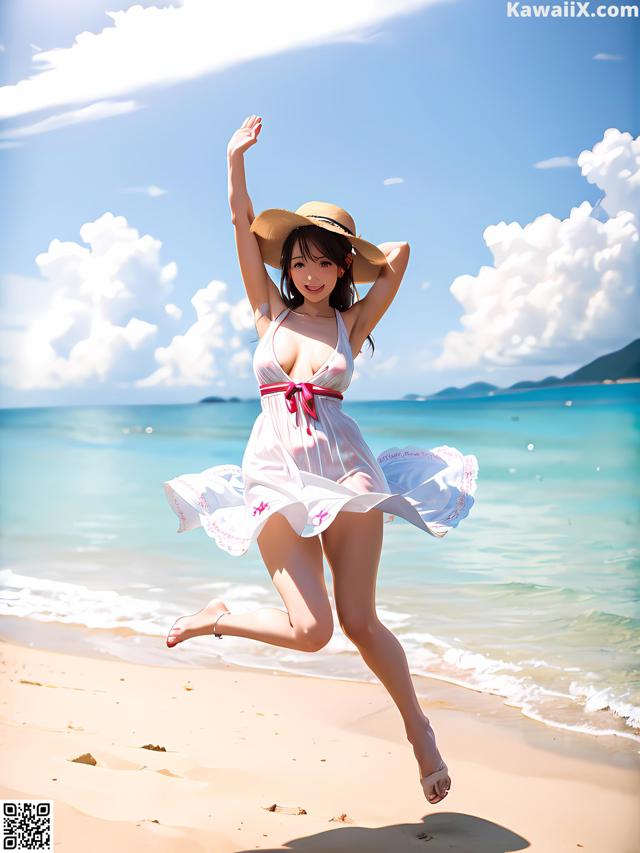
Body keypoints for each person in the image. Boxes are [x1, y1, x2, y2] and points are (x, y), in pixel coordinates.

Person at [163, 115, 479, 805]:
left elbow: (398, 257)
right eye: (299, 259)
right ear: (287, 267)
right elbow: (241, 219)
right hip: (276, 478)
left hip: (348, 477)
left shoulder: (350, 322)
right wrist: (233, 159)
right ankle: (216, 616)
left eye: (324, 261)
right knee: (312, 631)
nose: (308, 272)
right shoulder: (265, 310)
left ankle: (419, 730)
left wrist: (357, 248)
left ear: (340, 270)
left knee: (360, 621)